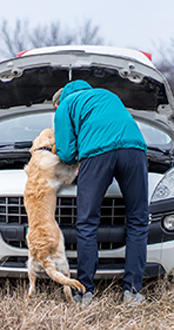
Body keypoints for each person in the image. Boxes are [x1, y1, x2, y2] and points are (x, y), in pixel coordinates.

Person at [52, 80, 149, 306]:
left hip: (97, 155)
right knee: (138, 219)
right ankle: (133, 292)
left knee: (87, 222)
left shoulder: (65, 105)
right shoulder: (106, 94)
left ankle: (85, 291)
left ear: (58, 102)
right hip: (134, 150)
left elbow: (66, 152)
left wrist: (73, 156)